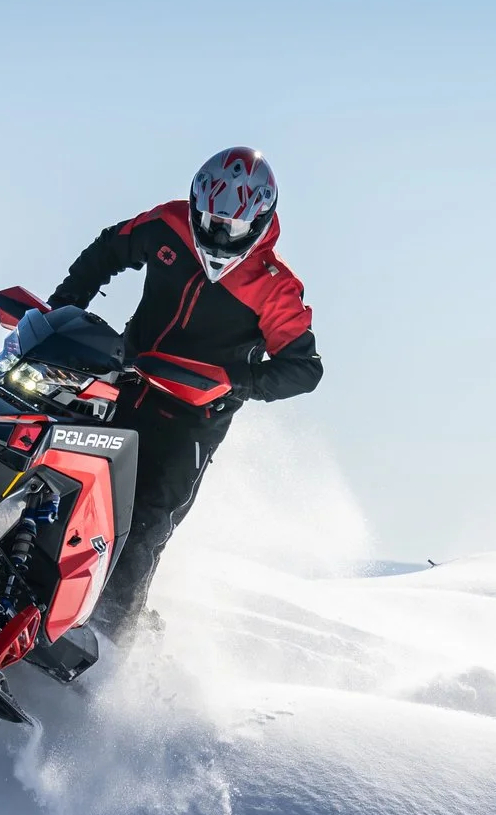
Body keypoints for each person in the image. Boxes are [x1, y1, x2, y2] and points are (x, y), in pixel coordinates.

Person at [47, 147, 322, 635]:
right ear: (196, 204)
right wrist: (61, 310)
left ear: (260, 221)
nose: (219, 235)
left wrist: (237, 382)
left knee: (147, 517)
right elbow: (109, 249)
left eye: (232, 228)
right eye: (213, 221)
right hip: (125, 381)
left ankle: (113, 635)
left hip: (195, 419)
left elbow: (304, 369)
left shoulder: (276, 288)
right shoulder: (169, 224)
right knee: (52, 458)